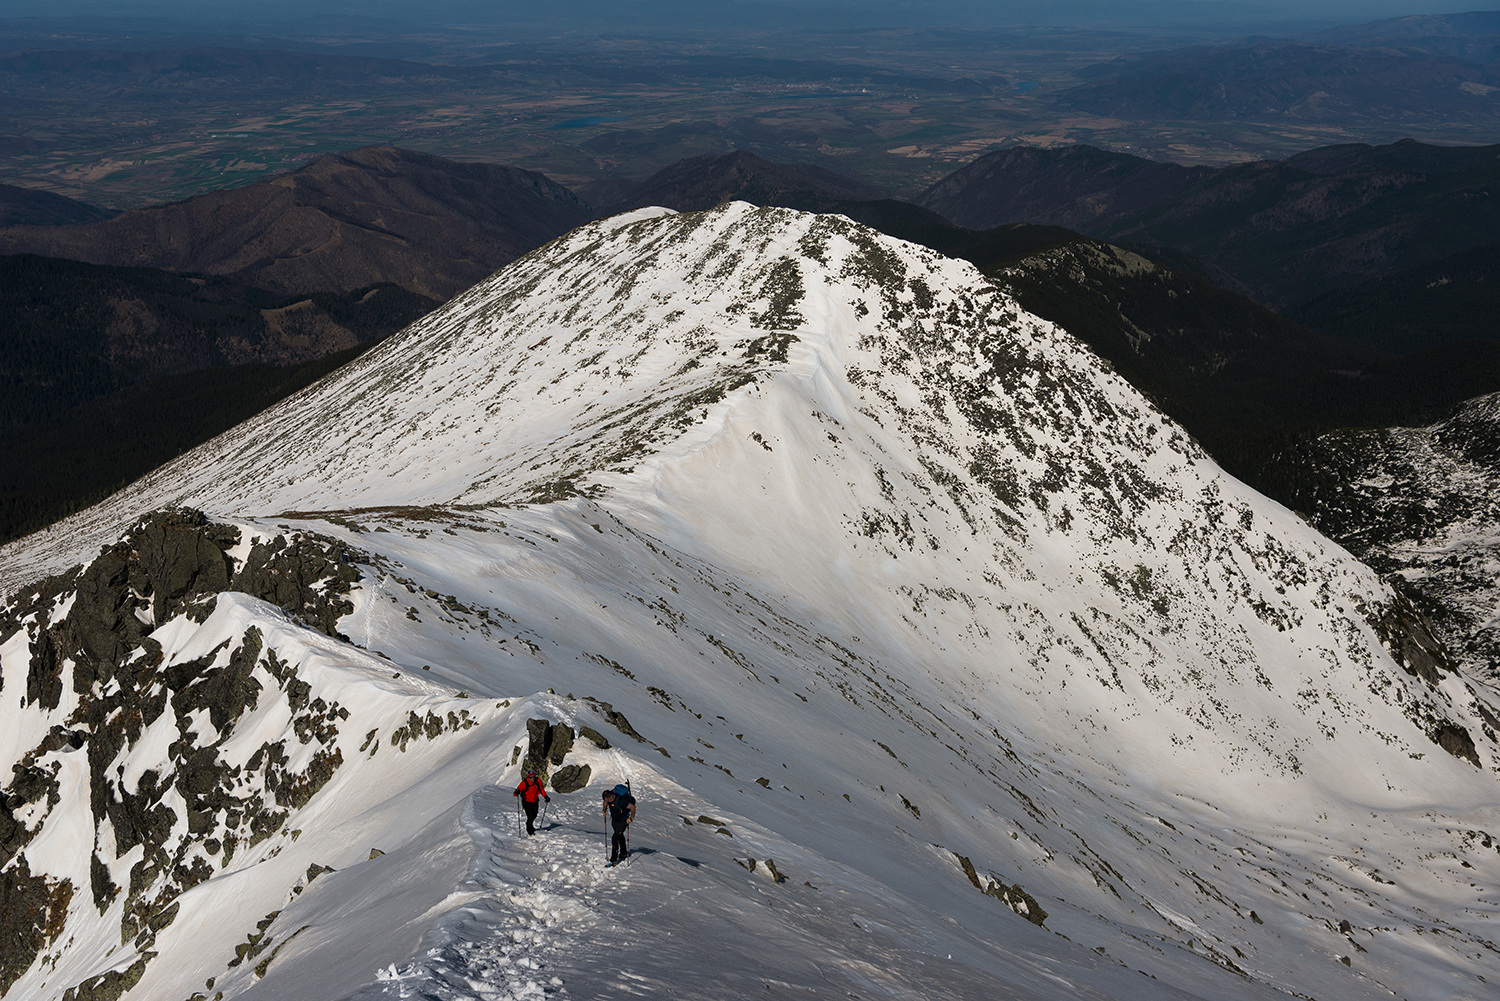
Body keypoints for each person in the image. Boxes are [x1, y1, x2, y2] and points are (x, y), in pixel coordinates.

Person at [602, 783, 636, 864]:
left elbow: (632, 807)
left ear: (609, 797)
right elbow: (605, 803)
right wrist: (604, 809)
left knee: (615, 838)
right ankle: (623, 852)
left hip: (623, 822)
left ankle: (613, 859)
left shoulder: (620, 801)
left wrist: (631, 818)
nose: (605, 801)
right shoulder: (609, 799)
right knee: (619, 836)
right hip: (615, 821)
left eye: (606, 799)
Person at [513, 770, 550, 836]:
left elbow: (541, 789)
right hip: (526, 802)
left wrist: (546, 796)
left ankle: (530, 825)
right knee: (531, 816)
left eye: (533, 776)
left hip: (535, 801)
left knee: (535, 815)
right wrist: (517, 792)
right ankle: (529, 828)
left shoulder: (538, 781)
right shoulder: (524, 783)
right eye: (531, 777)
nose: (533, 778)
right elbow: (516, 792)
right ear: (528, 777)